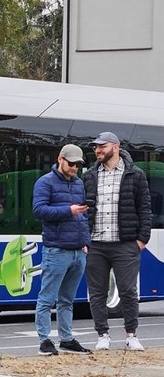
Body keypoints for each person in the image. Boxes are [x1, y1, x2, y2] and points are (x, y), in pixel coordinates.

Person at [83, 132, 152, 351]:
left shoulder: (136, 174)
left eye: (102, 146)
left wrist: (141, 240)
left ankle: (131, 335)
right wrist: (84, 239)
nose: (98, 150)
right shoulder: (89, 176)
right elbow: (83, 209)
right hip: (96, 243)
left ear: (116, 147)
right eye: (96, 147)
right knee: (96, 293)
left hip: (125, 244)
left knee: (128, 291)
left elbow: (145, 208)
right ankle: (102, 335)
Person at [32, 145, 92, 356]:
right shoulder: (45, 182)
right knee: (47, 298)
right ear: (60, 159)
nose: (75, 167)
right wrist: (69, 211)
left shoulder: (78, 184)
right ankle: (44, 340)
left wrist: (86, 243)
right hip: (56, 250)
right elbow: (39, 210)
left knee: (67, 299)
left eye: (78, 164)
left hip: (77, 250)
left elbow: (83, 217)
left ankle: (66, 339)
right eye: (71, 163)